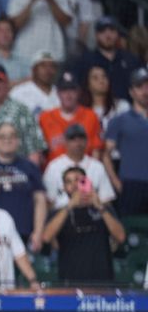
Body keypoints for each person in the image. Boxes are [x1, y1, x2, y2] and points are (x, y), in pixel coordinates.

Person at [0, 122, 47, 251]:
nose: (7, 140)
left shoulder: (30, 167)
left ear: (18, 140)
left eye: (12, 136)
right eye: (3, 137)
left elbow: (40, 201)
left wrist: (38, 232)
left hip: (23, 232)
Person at [42, 167, 125, 284]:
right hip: (70, 279)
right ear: (64, 188)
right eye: (68, 182)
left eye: (78, 180)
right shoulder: (59, 212)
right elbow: (46, 237)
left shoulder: (104, 208)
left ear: (87, 182)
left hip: (102, 279)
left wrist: (100, 207)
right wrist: (70, 206)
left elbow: (120, 237)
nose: (74, 185)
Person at [104, 68, 148, 216]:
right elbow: (106, 154)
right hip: (131, 182)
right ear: (131, 92)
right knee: (130, 230)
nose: (145, 91)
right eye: (140, 87)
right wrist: (116, 182)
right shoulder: (120, 120)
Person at [43, 124, 115, 208]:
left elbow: (107, 200)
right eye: (72, 139)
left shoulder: (97, 166)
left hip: (92, 216)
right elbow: (48, 202)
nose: (78, 143)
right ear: (65, 142)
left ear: (87, 141)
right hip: (62, 216)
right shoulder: (54, 167)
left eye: (81, 138)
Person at [39, 71, 103, 163]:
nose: (68, 95)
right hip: (55, 172)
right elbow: (40, 153)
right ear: (58, 93)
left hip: (84, 171)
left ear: (79, 92)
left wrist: (91, 172)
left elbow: (96, 150)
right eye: (64, 91)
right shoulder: (45, 117)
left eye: (72, 90)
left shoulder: (91, 116)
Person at [7, 0, 72, 62]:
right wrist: (32, 1)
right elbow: (14, 26)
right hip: (24, 55)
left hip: (52, 55)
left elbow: (66, 22)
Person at [76, 17, 141, 102]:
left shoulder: (131, 59)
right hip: (95, 110)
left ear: (117, 33)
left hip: (128, 109)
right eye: (102, 31)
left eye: (112, 30)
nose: (108, 35)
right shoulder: (85, 61)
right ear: (96, 35)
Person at [80, 65, 130, 136]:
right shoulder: (81, 110)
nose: (101, 81)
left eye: (104, 76)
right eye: (95, 78)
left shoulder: (122, 106)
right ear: (88, 84)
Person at [9, 50, 59, 116]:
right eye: (43, 66)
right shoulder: (18, 93)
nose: (48, 70)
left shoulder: (62, 93)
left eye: (52, 66)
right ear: (33, 69)